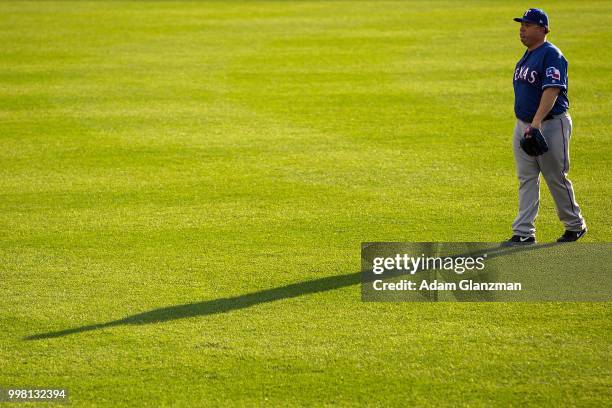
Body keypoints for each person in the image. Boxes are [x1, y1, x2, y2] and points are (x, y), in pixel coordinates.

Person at [508, 8, 587, 244]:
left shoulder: (552, 54)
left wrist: (536, 123)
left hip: (550, 125)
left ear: (543, 29)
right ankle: (523, 232)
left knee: (555, 177)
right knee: (526, 178)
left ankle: (575, 225)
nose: (522, 28)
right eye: (522, 24)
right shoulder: (528, 54)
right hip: (524, 125)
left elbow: (552, 89)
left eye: (528, 24)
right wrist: (526, 125)